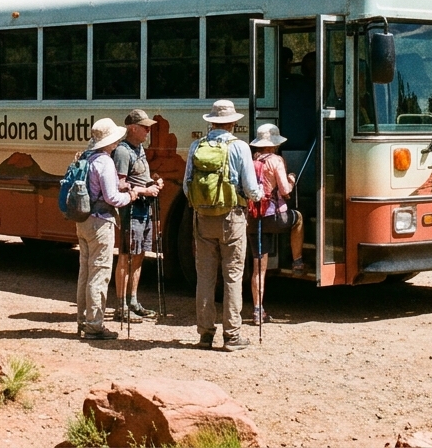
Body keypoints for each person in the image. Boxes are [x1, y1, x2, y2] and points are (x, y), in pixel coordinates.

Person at [182, 99, 262, 352]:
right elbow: (250, 188)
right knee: (233, 277)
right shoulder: (239, 147)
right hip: (232, 217)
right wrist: (259, 195)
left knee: (205, 278)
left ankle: (205, 334)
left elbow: (187, 186)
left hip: (203, 219)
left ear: (211, 121)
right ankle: (232, 335)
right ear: (233, 122)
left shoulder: (197, 145)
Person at [76, 117, 137, 341]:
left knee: (85, 272)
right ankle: (94, 326)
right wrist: (130, 195)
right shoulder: (105, 162)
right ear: (109, 141)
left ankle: (82, 320)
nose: (117, 143)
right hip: (101, 222)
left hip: (82, 220)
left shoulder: (86, 157)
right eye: (114, 140)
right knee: (99, 273)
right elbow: (112, 198)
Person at [247, 123, 307, 326]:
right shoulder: (276, 161)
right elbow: (285, 191)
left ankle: (257, 310)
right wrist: (291, 179)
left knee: (258, 268)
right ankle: (297, 260)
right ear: (273, 145)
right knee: (297, 218)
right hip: (275, 218)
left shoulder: (251, 160)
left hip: (254, 219)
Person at [112, 109, 164, 323]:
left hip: (144, 208)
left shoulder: (139, 148)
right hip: (130, 210)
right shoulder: (123, 152)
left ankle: (133, 301)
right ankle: (120, 306)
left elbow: (139, 177)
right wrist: (144, 191)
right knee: (126, 255)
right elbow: (120, 184)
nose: (148, 130)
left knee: (140, 253)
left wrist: (153, 183)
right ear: (132, 128)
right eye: (144, 127)